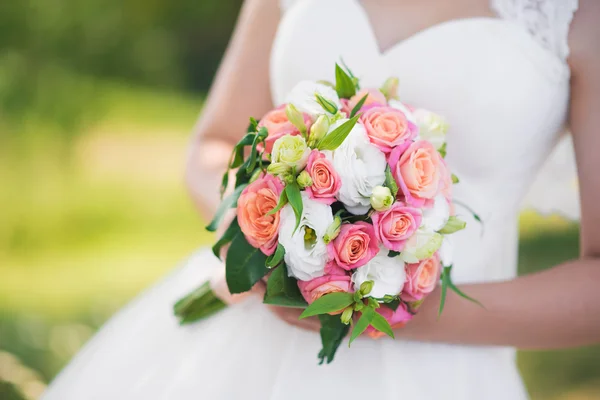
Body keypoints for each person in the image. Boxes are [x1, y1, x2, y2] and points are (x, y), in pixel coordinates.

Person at [42, 0, 600, 399]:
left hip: (442, 372)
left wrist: (391, 310)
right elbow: (213, 146)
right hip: (247, 337)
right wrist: (261, 233)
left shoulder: (577, 17)